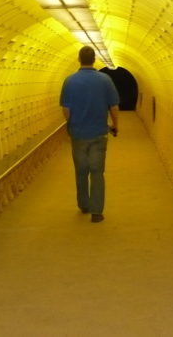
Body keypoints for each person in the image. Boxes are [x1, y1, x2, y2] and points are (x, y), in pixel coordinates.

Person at [60, 46, 119, 223]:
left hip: (78, 133)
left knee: (81, 170)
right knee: (97, 171)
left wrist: (71, 125)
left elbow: (66, 109)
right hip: (99, 133)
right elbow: (114, 106)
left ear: (79, 59)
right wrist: (115, 125)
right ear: (94, 59)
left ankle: (83, 204)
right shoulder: (105, 80)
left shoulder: (69, 81)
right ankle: (96, 212)